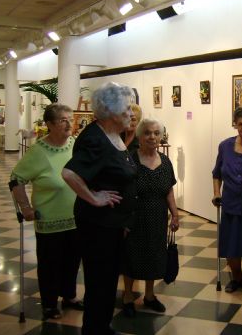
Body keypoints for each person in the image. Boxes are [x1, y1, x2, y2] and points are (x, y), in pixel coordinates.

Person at [62, 82, 137, 335]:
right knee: (98, 282)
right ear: (112, 112)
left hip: (112, 224)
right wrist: (94, 197)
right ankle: (94, 330)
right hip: (97, 226)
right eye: (127, 108)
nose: (132, 113)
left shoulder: (114, 135)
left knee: (107, 281)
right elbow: (70, 173)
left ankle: (102, 327)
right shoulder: (95, 139)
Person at [11, 103, 84, 320]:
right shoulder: (38, 152)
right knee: (50, 263)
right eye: (63, 120)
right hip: (49, 218)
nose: (69, 123)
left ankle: (69, 296)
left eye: (71, 119)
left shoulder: (75, 145)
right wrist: (25, 208)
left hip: (76, 217)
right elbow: (16, 180)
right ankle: (50, 303)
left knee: (72, 260)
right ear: (49, 124)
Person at [121, 118, 179, 317]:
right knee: (131, 256)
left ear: (161, 136)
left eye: (156, 133)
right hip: (134, 217)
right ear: (139, 136)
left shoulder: (166, 161)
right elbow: (121, 191)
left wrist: (175, 214)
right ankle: (127, 295)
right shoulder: (130, 160)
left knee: (154, 256)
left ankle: (149, 295)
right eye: (147, 133)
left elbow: (169, 190)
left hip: (157, 217)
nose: (152, 137)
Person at [212, 106, 242, 299]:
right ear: (235, 124)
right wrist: (217, 193)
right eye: (239, 123)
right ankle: (237, 278)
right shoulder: (225, 146)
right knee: (230, 246)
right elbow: (216, 173)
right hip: (230, 203)